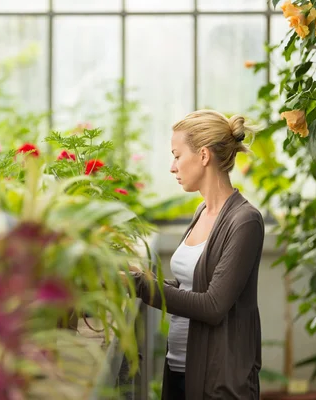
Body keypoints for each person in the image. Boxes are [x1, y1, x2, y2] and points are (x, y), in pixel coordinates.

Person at [129, 110, 264, 399]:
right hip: (178, 369)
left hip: (217, 382)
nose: (172, 167)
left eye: (177, 156)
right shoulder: (202, 211)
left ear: (203, 156)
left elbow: (213, 305)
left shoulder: (245, 221)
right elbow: (191, 288)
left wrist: (142, 286)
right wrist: (138, 277)